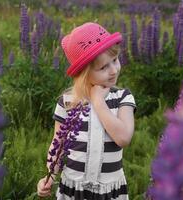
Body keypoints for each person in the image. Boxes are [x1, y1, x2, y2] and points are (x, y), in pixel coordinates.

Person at [37, 22, 136, 200]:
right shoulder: (67, 103)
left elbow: (123, 138)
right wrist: (50, 176)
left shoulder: (122, 98)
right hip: (73, 188)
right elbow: (57, 144)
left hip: (109, 191)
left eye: (115, 60)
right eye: (104, 67)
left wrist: (98, 101)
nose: (114, 70)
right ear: (84, 73)